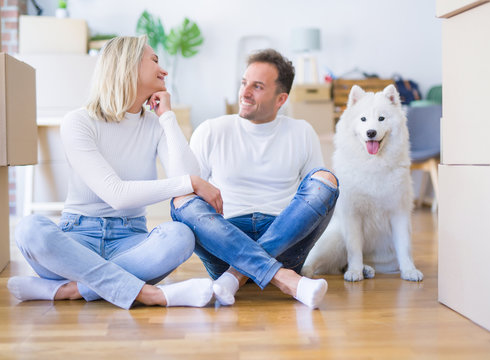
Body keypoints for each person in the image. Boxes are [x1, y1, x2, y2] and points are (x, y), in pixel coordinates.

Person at [7, 36, 222, 310]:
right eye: (154, 60)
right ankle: (147, 294)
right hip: (77, 238)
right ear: (128, 65)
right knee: (30, 229)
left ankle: (68, 290)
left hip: (130, 239)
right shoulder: (79, 122)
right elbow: (116, 194)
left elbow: (190, 184)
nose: (164, 70)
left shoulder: (155, 125)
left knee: (181, 236)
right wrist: (189, 182)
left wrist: (167, 116)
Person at [170, 49, 339, 309]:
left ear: (281, 98)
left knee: (326, 180)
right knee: (181, 198)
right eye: (244, 83)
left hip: (286, 241)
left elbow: (314, 200)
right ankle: (284, 279)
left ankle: (235, 276)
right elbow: (188, 195)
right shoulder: (211, 130)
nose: (245, 93)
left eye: (257, 87)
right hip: (224, 241)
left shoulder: (301, 132)